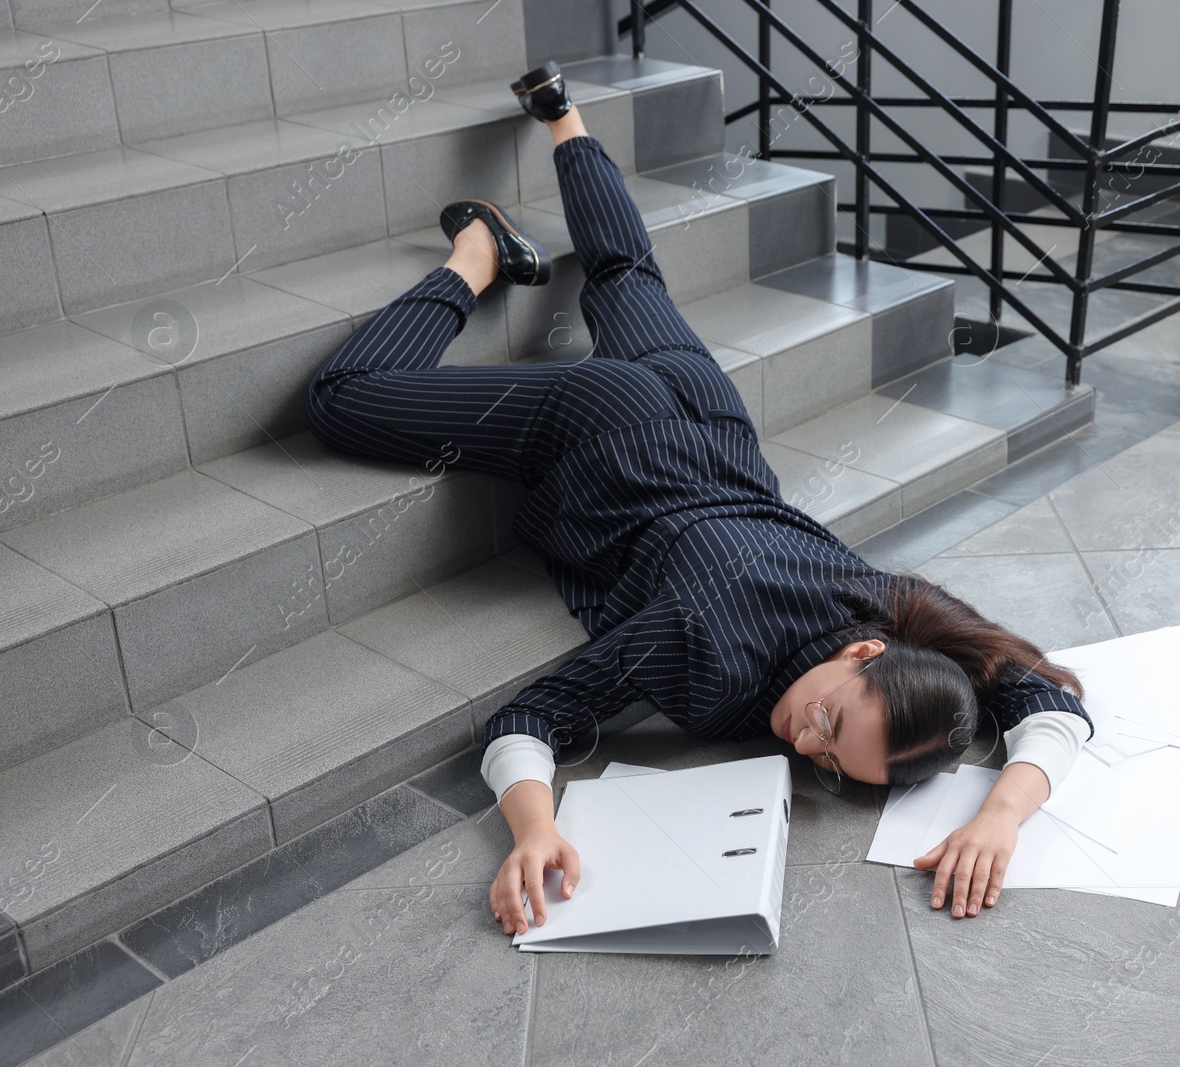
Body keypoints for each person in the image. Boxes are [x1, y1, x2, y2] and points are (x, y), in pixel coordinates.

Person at [306, 61, 1094, 940]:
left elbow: (1048, 702)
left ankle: (563, 116)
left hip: (706, 411)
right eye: (829, 721)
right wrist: (535, 828)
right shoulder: (697, 639)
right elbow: (530, 717)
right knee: (343, 396)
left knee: (622, 272)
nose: (803, 744)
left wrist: (999, 817)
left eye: (831, 762)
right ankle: (477, 253)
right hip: (597, 433)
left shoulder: (902, 611)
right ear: (865, 652)